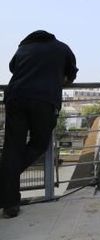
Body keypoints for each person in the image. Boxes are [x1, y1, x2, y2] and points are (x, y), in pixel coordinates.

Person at [0, 30, 78, 218]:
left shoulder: (23, 48)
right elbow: (71, 74)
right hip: (44, 101)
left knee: (12, 148)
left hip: (15, 98)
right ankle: (5, 180)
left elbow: (13, 69)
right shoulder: (62, 48)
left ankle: (10, 203)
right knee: (38, 144)